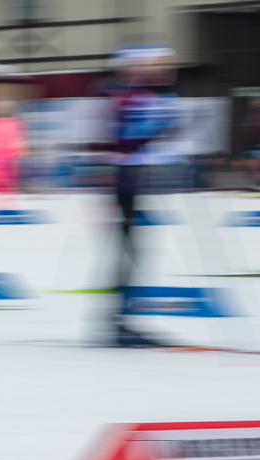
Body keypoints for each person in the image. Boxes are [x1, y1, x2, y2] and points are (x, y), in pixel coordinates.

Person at [102, 45, 182, 346]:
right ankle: (119, 322)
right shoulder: (131, 98)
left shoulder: (138, 97)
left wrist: (167, 130)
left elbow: (139, 138)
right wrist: (164, 128)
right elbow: (127, 141)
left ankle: (120, 320)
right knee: (129, 251)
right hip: (125, 181)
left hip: (130, 180)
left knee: (131, 250)